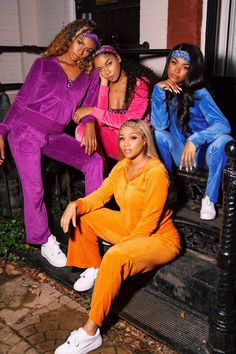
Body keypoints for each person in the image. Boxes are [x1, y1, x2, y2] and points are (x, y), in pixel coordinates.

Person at [55, 119, 181, 354]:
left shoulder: (156, 172)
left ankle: (90, 333)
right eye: (122, 138)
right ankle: (93, 266)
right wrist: (76, 203)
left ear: (145, 140)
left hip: (159, 237)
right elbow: (101, 195)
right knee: (84, 215)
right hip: (128, 225)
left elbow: (150, 222)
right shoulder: (122, 167)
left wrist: (118, 252)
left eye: (133, 137)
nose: (126, 144)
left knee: (114, 257)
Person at [0, 19, 104, 268]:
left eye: (88, 49)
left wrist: (90, 122)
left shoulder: (89, 76)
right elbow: (22, 100)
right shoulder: (44, 64)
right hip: (26, 130)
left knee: (95, 161)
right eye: (80, 43)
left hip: (55, 135)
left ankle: (93, 225)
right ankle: (44, 239)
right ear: (70, 37)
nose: (82, 51)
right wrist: (2, 132)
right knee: (35, 188)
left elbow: (90, 106)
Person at [151, 43, 232, 220]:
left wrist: (195, 140)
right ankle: (168, 187)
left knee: (224, 140)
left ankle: (209, 199)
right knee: (159, 135)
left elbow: (224, 125)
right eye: (174, 62)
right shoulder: (164, 89)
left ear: (192, 71)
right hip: (182, 155)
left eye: (185, 67)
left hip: (205, 155)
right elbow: (160, 125)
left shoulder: (199, 93)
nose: (177, 70)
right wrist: (158, 92)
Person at [74, 45, 159, 160]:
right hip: (117, 140)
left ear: (118, 58)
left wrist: (91, 110)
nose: (107, 72)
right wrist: (104, 84)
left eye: (109, 64)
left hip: (137, 140)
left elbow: (129, 122)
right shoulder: (105, 84)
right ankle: (99, 168)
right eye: (100, 69)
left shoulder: (140, 84)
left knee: (128, 133)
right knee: (82, 130)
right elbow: (100, 123)